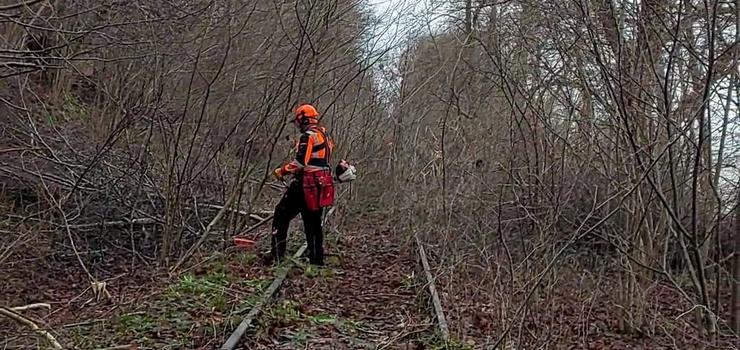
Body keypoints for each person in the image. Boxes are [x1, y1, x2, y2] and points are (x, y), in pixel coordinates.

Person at [268, 104, 335, 266]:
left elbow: (300, 162)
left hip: (305, 184)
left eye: (298, 122)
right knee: (313, 222)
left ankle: (277, 255)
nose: (297, 125)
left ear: (303, 120)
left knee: (281, 214)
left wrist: (282, 171)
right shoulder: (324, 134)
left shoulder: (308, 136)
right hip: (321, 183)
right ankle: (317, 261)